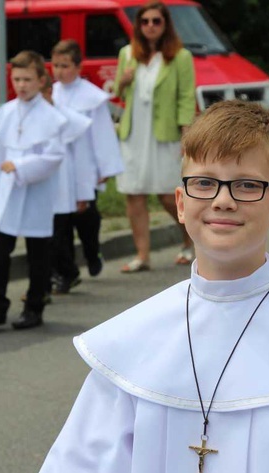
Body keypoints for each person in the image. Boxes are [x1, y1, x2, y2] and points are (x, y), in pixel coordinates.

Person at [25, 100, 269, 473]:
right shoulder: (129, 344)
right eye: (204, 183)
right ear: (181, 204)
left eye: (248, 185)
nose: (223, 200)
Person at [0, 51, 66, 331]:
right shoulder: (7, 112)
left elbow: (53, 157)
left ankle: (35, 306)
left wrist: (21, 166)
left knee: (38, 250)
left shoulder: (52, 118)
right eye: (17, 79)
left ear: (41, 80)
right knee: (0, 248)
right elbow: (1, 151)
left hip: (36, 189)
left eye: (27, 79)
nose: (22, 85)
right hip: (9, 190)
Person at [114, 1, 196, 272]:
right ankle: (142, 255)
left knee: (167, 194)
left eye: (156, 21)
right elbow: (119, 91)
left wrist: (187, 135)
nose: (150, 26)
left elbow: (186, 97)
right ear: (138, 25)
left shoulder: (179, 57)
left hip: (164, 134)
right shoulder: (127, 53)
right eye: (145, 21)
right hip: (134, 133)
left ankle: (190, 242)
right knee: (134, 194)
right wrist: (124, 81)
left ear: (165, 25)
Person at [50, 39, 124, 290]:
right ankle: (66, 271)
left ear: (78, 67)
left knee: (85, 217)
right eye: (56, 65)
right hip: (60, 168)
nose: (60, 71)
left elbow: (102, 134)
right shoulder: (52, 93)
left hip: (84, 165)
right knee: (60, 222)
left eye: (65, 65)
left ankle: (92, 252)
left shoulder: (91, 97)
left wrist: (104, 168)